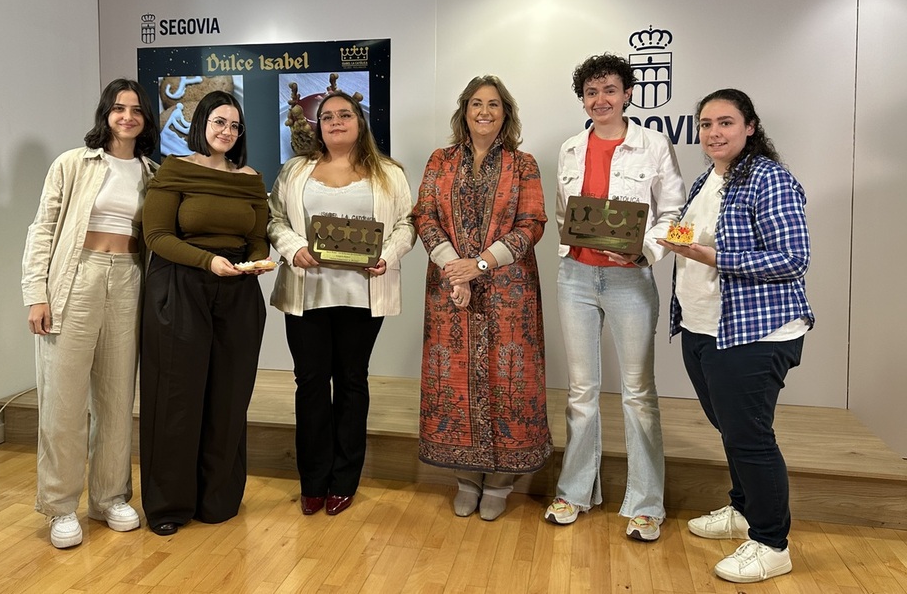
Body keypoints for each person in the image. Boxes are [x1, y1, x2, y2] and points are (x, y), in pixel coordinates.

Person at [658, 89, 812, 583]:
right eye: (705, 124)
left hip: (755, 332)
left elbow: (792, 258)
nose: (714, 133)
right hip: (703, 326)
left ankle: (771, 543)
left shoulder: (770, 178)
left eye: (726, 122)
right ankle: (744, 510)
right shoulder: (709, 180)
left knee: (750, 437)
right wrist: (650, 239)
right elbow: (693, 238)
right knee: (730, 428)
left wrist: (717, 256)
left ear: (749, 127)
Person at [547, 54, 685, 542]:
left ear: (628, 93)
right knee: (581, 392)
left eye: (609, 89)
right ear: (583, 99)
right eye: (590, 92)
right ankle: (575, 492)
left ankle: (646, 503)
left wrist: (646, 252)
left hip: (631, 279)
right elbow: (567, 213)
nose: (599, 100)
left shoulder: (654, 145)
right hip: (576, 276)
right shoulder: (569, 148)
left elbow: (673, 213)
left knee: (639, 394)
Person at [21, 78, 159, 549]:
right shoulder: (73, 163)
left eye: (136, 110)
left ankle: (109, 498)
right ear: (105, 114)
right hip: (75, 277)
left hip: (129, 278)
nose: (127, 117)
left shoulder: (152, 172)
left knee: (117, 396)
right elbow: (42, 230)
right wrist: (35, 294)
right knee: (63, 398)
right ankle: (61, 507)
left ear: (146, 119)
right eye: (119, 108)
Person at [268, 91, 415, 516]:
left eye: (344, 115)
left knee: (352, 383)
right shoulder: (295, 171)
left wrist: (388, 255)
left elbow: (407, 224)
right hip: (306, 293)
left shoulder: (388, 173)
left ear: (359, 121)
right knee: (310, 384)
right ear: (317, 126)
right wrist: (294, 246)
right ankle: (313, 481)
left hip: (362, 296)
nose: (335, 122)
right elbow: (274, 218)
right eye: (327, 117)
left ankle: (345, 478)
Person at [412, 75, 551, 522]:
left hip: (509, 293)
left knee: (508, 382)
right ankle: (466, 478)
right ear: (464, 111)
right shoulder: (440, 160)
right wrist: (456, 265)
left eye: (494, 104)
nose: (484, 111)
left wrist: (482, 265)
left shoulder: (522, 163)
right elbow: (424, 215)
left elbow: (532, 223)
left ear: (505, 113)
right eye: (476, 103)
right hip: (449, 288)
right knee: (453, 382)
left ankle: (501, 482)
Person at [139, 89, 271, 536]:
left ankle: (218, 498)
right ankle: (169, 506)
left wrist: (253, 261)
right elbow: (156, 235)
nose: (227, 132)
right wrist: (206, 261)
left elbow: (258, 236)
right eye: (219, 122)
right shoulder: (175, 170)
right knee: (177, 397)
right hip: (180, 286)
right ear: (201, 124)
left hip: (237, 291)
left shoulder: (250, 177)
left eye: (235, 126)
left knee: (229, 397)